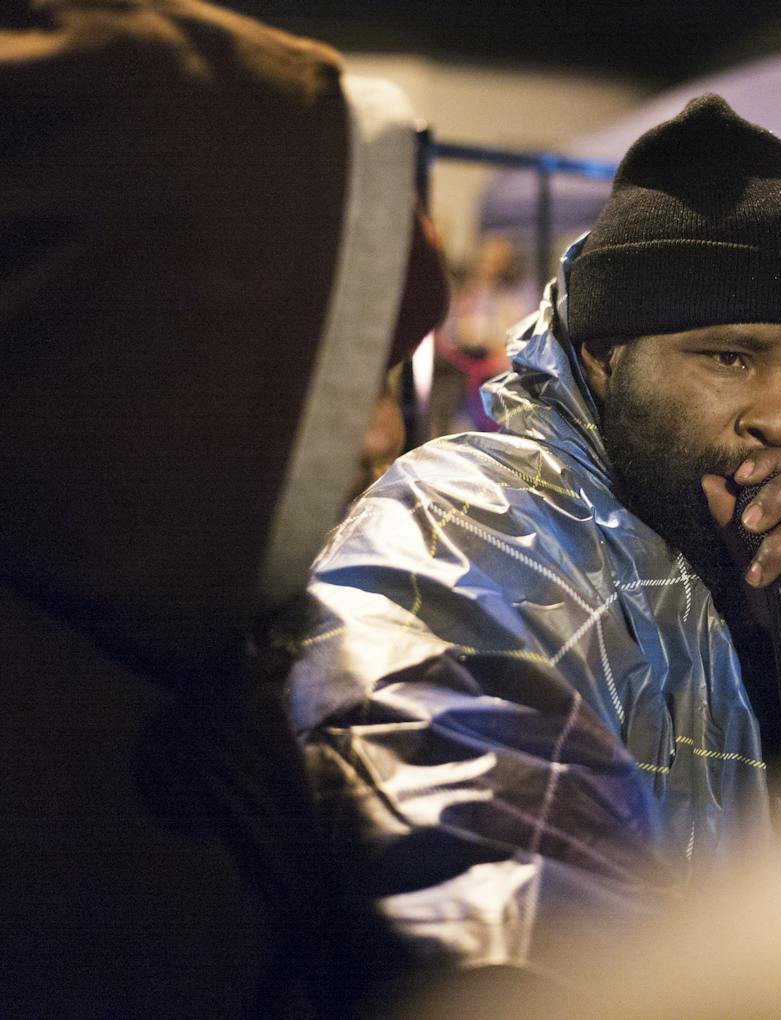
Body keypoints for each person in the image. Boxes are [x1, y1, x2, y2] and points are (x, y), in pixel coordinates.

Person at [288, 94, 781, 972]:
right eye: (730, 357)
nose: (780, 419)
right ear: (604, 352)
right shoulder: (470, 524)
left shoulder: (753, 578)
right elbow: (483, 894)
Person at [0, 1, 448, 1013]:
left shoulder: (163, 666)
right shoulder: (54, 805)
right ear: (158, 362)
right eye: (345, 383)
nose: (380, 440)